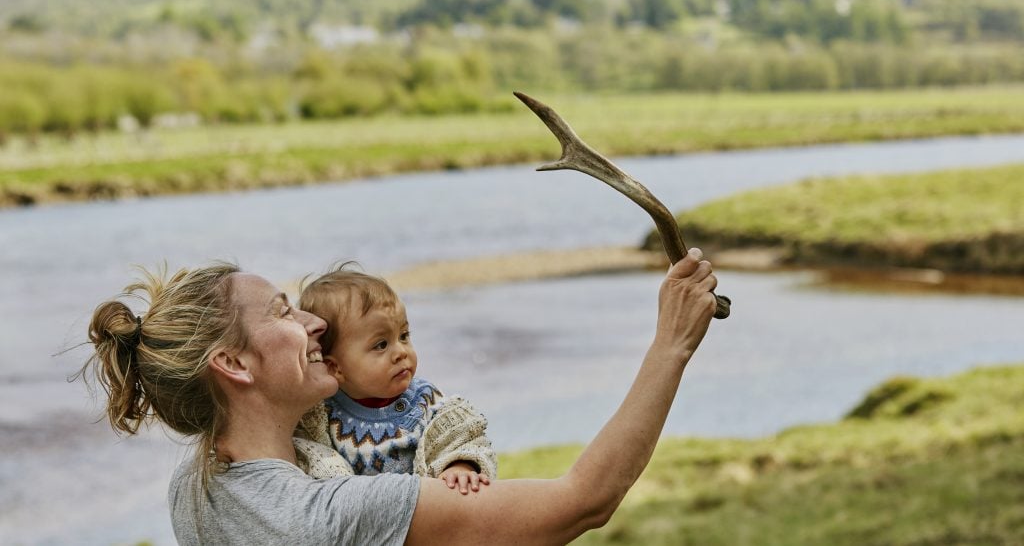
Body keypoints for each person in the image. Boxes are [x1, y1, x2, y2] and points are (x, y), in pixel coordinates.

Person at [81, 248, 718, 544]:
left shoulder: (196, 486)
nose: (313, 323)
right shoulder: (336, 514)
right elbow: (584, 502)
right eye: (282, 313)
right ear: (232, 363)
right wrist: (671, 346)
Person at [294, 266, 497, 492]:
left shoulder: (423, 399)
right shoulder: (323, 416)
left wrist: (458, 465)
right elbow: (311, 457)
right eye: (381, 345)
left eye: (404, 336)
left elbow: (460, 436)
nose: (401, 351)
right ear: (335, 367)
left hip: (426, 514)